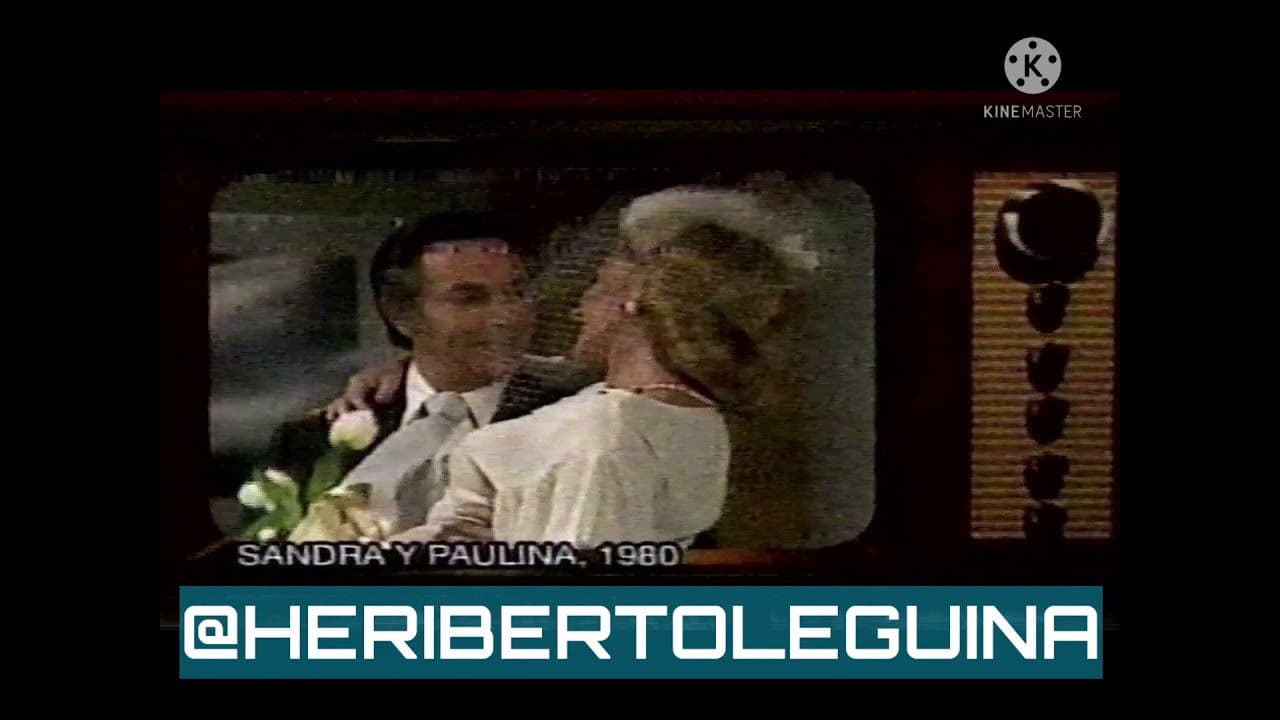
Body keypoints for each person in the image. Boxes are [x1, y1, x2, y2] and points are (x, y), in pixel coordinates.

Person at [386, 189, 799, 548]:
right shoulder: (683, 413)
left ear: (634, 303)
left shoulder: (604, 433)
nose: (578, 310)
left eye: (597, 289)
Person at [271, 210, 591, 541]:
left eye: (516, 293)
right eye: (470, 299)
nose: (505, 317)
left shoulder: (574, 417)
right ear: (401, 313)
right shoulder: (312, 439)